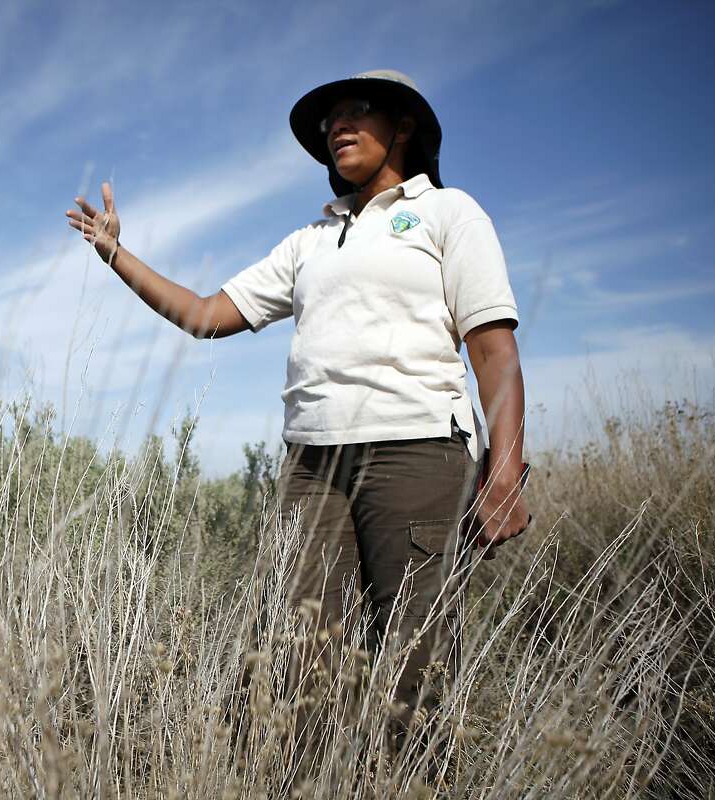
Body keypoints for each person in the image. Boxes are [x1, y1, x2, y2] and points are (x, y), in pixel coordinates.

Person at [66, 69, 529, 765]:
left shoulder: (448, 213)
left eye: (357, 111)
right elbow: (205, 314)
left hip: (419, 454)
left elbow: (493, 350)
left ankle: (417, 780)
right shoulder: (309, 242)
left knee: (416, 655)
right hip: (312, 467)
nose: (337, 126)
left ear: (403, 127)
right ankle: (315, 779)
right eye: (328, 120)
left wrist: (507, 472)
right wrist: (114, 254)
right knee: (302, 658)